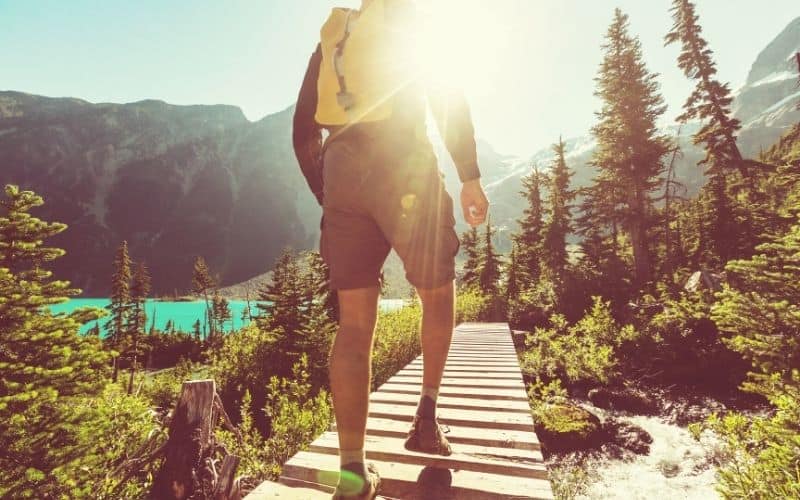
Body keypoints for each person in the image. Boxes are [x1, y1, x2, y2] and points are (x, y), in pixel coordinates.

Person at [292, 0, 488, 498]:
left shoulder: (335, 35)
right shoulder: (410, 22)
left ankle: (353, 474)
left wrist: (328, 194)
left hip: (342, 169)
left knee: (354, 325)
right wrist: (469, 177)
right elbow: (447, 98)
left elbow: (301, 133)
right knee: (437, 292)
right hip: (404, 165)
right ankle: (426, 414)